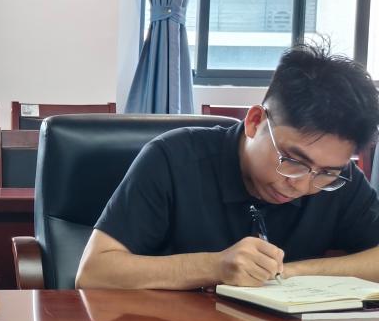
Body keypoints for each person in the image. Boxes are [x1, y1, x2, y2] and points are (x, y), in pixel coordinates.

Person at [76, 44, 379, 290]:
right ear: (255, 121)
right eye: (292, 160)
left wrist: (291, 272)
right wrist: (215, 266)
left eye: (326, 173)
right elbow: (93, 272)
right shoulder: (172, 159)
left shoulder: (336, 177)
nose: (301, 185)